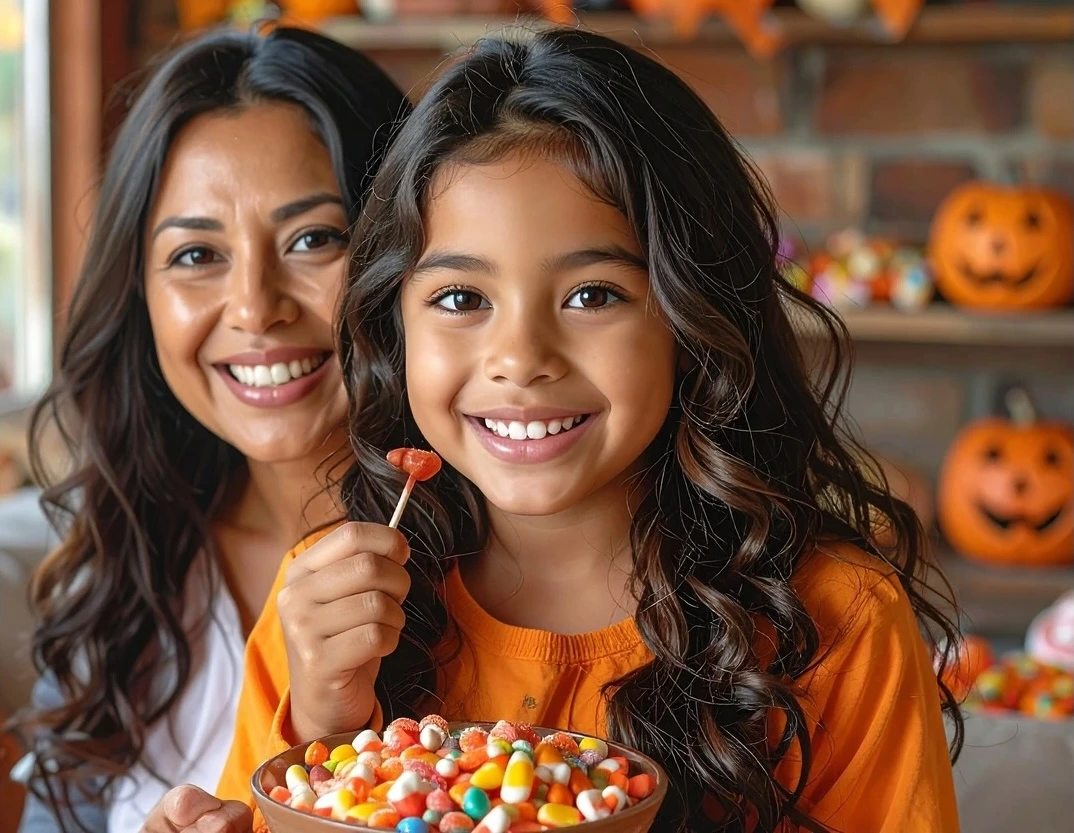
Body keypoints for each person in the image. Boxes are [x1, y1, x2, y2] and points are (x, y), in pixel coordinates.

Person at [211, 27, 962, 833]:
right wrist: (324, 723)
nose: (520, 359)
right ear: (395, 325)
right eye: (462, 299)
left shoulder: (833, 621)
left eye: (592, 295)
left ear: (693, 314)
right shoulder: (329, 606)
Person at [11, 25, 409, 833]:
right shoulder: (122, 573)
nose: (257, 307)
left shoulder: (505, 571)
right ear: (139, 296)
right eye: (197, 254)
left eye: (313, 239)